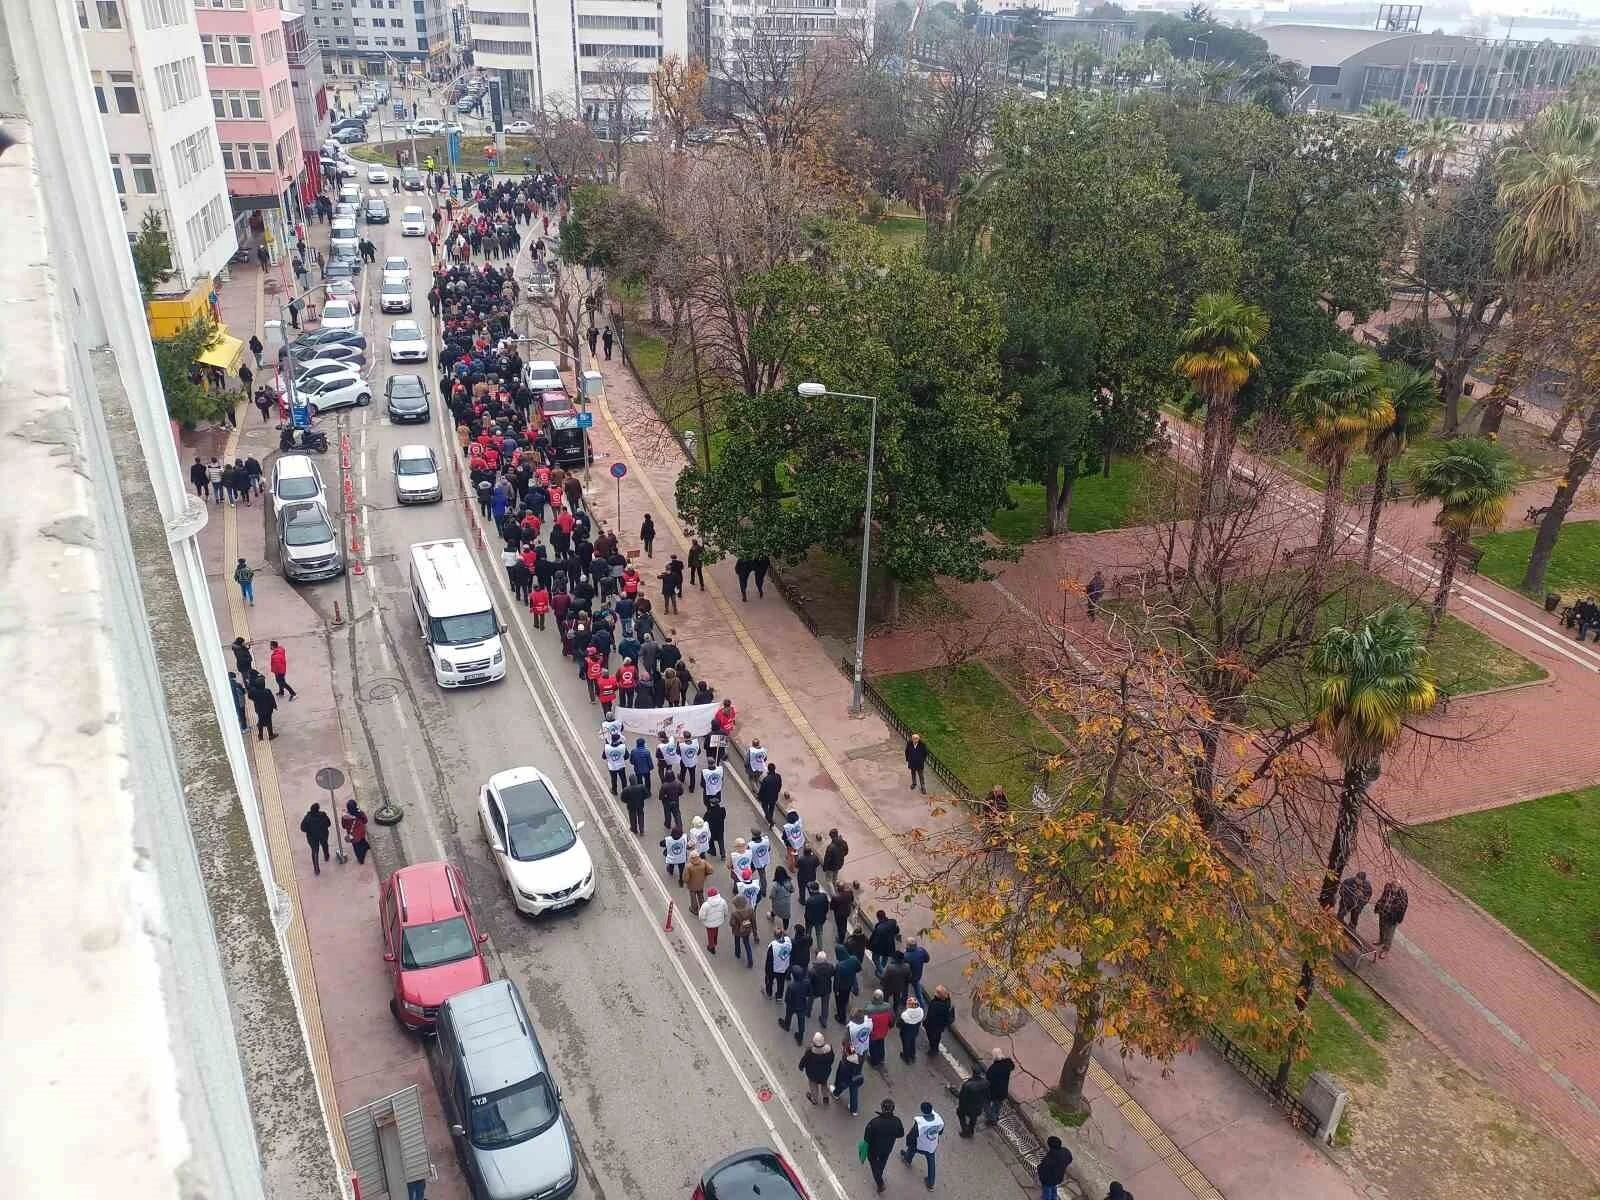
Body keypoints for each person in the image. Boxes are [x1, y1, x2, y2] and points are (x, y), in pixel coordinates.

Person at [862, 1100, 905, 1194]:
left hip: (874, 1149)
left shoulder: (874, 1122)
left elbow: (867, 1138)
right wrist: (891, 1136)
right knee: (882, 1162)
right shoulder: (897, 1121)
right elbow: (901, 1133)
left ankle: (880, 1182)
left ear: (882, 1108)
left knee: (873, 1163)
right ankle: (879, 1173)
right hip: (888, 1147)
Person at [900, 1100, 944, 1191]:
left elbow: (912, 1135)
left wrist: (908, 1143)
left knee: (912, 1148)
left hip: (920, 1145)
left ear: (922, 1110)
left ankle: (907, 1159)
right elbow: (940, 1132)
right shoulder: (939, 1119)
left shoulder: (920, 1123)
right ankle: (931, 1184)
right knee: (931, 1162)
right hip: (932, 1145)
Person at [1374, 881, 1409, 958]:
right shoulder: (1387, 887)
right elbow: (1383, 897)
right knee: (1382, 928)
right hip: (1383, 912)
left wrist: (1397, 919)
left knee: (1389, 933)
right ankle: (1381, 940)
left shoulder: (1403, 895)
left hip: (1393, 917)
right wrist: (1378, 906)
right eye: (1393, 886)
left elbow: (1403, 909)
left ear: (1399, 887)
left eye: (1396, 887)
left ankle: (1386, 949)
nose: (1394, 888)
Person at [799, 1031, 835, 1105]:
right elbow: (832, 1059)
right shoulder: (829, 1049)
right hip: (825, 1073)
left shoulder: (810, 1052)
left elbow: (804, 1060)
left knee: (813, 1086)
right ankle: (825, 1098)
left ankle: (814, 1100)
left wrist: (801, 1066)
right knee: (824, 1084)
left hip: (812, 1074)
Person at [781, 960, 811, 1043]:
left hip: (792, 1005)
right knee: (801, 1021)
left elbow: (787, 998)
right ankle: (800, 1037)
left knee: (788, 1016)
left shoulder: (791, 986)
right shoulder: (807, 982)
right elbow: (809, 993)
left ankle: (787, 1026)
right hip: (802, 1005)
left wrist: (788, 1003)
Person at [953, 1068, 988, 1136]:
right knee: (973, 1119)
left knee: (960, 1114)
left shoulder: (968, 1085)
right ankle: (970, 1130)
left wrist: (953, 1091)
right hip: (978, 1106)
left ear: (973, 1074)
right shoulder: (986, 1083)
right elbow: (987, 1095)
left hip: (967, 1107)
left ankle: (965, 1130)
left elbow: (961, 1096)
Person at [833, 943, 862, 1024]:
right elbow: (858, 969)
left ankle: (841, 1018)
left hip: (841, 987)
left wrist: (835, 990)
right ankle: (843, 1012)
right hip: (849, 984)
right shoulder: (854, 959)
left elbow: (837, 980)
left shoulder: (839, 965)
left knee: (840, 1003)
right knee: (845, 999)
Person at [300, 803, 332, 875]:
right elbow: (329, 824)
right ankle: (326, 856)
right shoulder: (323, 815)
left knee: (314, 851)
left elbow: (302, 828)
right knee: (325, 845)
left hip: (312, 838)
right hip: (323, 835)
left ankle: (316, 869)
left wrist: (309, 830)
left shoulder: (307, 818)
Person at [865, 989, 894, 1068]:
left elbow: (866, 1022)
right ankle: (881, 1058)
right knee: (881, 1044)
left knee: (873, 1047)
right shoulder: (888, 1007)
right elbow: (892, 1020)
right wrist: (889, 1026)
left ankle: (874, 1062)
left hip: (873, 1033)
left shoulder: (868, 1009)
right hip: (883, 1031)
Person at [923, 985, 955, 1057]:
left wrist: (925, 1023)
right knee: (937, 1037)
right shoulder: (947, 1003)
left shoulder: (935, 1005)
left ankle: (933, 1050)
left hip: (933, 1026)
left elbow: (930, 1016)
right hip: (940, 1026)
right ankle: (935, 1048)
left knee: (932, 1038)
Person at [730, 887, 758, 967]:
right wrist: (755, 932)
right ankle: (750, 961)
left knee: (737, 941)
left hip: (737, 931)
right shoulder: (750, 910)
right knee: (747, 944)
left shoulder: (735, 913)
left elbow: (732, 923)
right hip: (747, 929)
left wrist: (735, 924)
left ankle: (737, 953)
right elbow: (753, 921)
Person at [984, 1050, 1014, 1125]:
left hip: (994, 1091)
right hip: (1003, 1091)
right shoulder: (1007, 1065)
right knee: (997, 1106)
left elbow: (988, 1078)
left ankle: (992, 1119)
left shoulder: (993, 1068)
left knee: (986, 1103)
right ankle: (996, 1116)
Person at [833, 1044, 864, 1114]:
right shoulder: (860, 1058)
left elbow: (840, 1074)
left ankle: (836, 1094)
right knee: (854, 1093)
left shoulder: (845, 1062)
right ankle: (854, 1110)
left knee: (841, 1086)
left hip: (847, 1079)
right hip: (856, 1079)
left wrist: (837, 1082)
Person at [764, 927, 794, 1000]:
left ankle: (769, 993)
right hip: (784, 968)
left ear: (774, 936)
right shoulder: (788, 942)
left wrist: (767, 970)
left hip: (774, 968)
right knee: (781, 983)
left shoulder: (773, 946)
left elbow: (769, 960)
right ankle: (779, 996)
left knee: (769, 981)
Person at [869, 909, 901, 975]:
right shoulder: (893, 922)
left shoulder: (879, 927)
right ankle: (881, 968)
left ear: (878, 918)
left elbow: (875, 940)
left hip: (880, 947)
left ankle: (882, 973)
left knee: (875, 958)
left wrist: (869, 946)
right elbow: (896, 930)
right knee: (885, 957)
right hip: (889, 946)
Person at [698, 885, 727, 953]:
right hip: (718, 921)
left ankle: (711, 947)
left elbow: (702, 916)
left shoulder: (706, 905)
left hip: (709, 923)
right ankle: (715, 941)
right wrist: (724, 916)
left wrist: (702, 919)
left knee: (710, 933)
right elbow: (725, 910)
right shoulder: (722, 901)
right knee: (716, 930)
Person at [341, 799, 370, 865]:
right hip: (361, 832)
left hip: (353, 836)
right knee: (362, 840)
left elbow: (344, 826)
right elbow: (365, 821)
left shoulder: (345, 817)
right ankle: (366, 847)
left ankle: (361, 860)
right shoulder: (359, 813)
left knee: (357, 849)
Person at [897, 996, 925, 1063]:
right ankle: (912, 1055)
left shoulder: (904, 1015)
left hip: (906, 1032)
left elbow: (898, 1025)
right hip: (915, 1031)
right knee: (912, 1042)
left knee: (906, 1044)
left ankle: (906, 1058)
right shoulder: (921, 1012)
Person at [249, 676, 278, 740]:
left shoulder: (254, 692)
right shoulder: (267, 691)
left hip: (259, 710)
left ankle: (260, 736)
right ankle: (270, 735)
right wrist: (274, 706)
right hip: (268, 710)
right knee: (269, 722)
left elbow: (249, 696)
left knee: (260, 722)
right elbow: (272, 699)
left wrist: (252, 687)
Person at [903, 938, 931, 1004]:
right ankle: (922, 1004)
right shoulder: (921, 950)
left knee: (905, 989)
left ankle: (904, 1000)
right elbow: (927, 959)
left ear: (908, 946)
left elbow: (903, 967)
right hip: (917, 975)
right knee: (917, 990)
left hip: (907, 977)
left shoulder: (906, 956)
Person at [685, 850, 712, 915]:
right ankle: (703, 909)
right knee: (701, 896)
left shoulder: (689, 866)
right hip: (701, 883)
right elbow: (710, 870)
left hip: (692, 884)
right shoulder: (703, 862)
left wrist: (686, 881)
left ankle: (694, 909)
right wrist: (705, 875)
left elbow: (686, 878)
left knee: (693, 896)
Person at [822, 829, 849, 893]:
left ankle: (833, 895)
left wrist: (825, 867)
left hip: (831, 866)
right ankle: (837, 888)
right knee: (835, 876)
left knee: (828, 880)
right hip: (839, 863)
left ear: (831, 836)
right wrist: (841, 857)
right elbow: (846, 852)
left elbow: (827, 859)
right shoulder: (843, 842)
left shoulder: (830, 847)